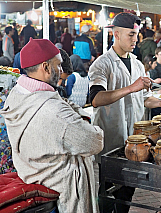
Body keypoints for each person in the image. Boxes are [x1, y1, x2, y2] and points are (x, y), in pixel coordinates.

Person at [0, 38, 104, 212]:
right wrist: (88, 122)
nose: (61, 70)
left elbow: (65, 105)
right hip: (60, 188)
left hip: (32, 173)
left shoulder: (18, 93)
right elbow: (94, 141)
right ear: (46, 67)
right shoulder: (54, 111)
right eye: (58, 65)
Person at [88, 12, 161, 213]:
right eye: (131, 35)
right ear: (116, 34)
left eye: (137, 35)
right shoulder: (102, 64)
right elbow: (96, 99)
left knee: (127, 191)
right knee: (107, 191)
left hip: (134, 140)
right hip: (112, 138)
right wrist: (132, 87)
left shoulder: (137, 63)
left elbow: (142, 99)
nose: (135, 40)